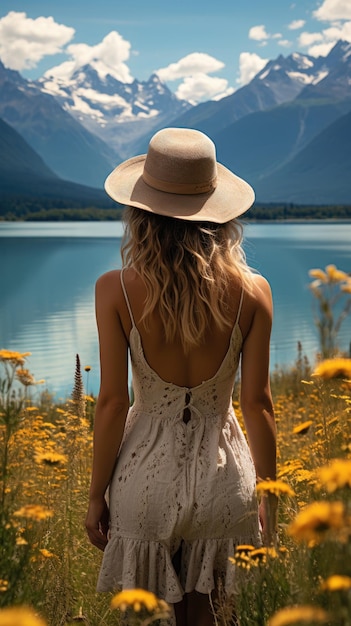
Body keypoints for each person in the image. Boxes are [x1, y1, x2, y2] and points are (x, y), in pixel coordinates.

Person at [85, 127, 277, 626]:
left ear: (140, 211)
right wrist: (270, 498)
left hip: (141, 482)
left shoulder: (115, 290)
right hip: (226, 482)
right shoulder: (254, 291)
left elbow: (109, 403)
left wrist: (93, 496)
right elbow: (258, 405)